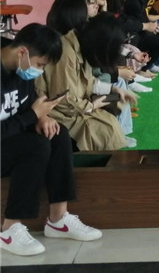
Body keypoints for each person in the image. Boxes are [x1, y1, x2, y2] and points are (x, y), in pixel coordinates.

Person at [1, 24, 102, 256]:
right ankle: (9, 228)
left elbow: (27, 103)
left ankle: (58, 219)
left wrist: (42, 117)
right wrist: (32, 116)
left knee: (57, 133)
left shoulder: (20, 67)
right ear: (22, 52)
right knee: (35, 146)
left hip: (10, 137)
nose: (39, 71)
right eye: (40, 65)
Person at [38, 0, 133, 150]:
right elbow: (62, 100)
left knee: (110, 124)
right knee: (104, 131)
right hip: (57, 112)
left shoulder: (80, 45)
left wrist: (112, 89)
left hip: (75, 108)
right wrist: (92, 106)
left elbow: (87, 81)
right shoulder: (66, 52)